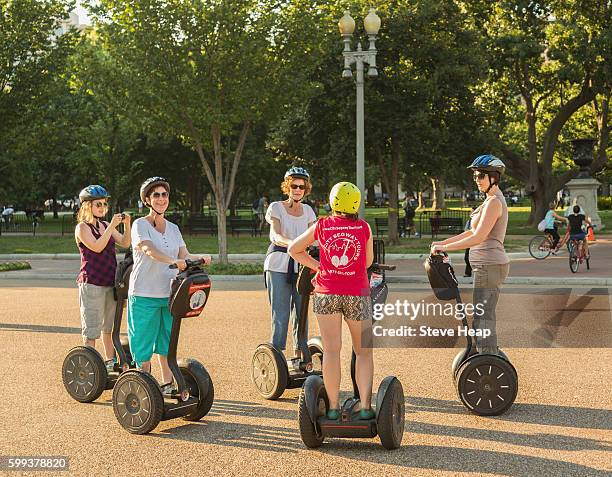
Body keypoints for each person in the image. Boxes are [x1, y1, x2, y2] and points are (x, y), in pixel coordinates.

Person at [289, 181, 375, 420]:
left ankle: (334, 407)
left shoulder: (322, 225)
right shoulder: (364, 227)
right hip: (356, 294)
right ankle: (366, 407)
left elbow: (294, 249)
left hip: (327, 293)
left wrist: (318, 266)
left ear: (332, 201)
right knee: (364, 352)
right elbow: (367, 262)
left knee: (331, 351)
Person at [128, 177, 212, 395]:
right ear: (147, 199)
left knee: (166, 342)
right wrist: (171, 261)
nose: (161, 199)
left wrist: (199, 257)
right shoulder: (140, 225)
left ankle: (167, 385)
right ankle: (144, 388)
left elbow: (184, 254)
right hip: (144, 293)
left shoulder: (173, 228)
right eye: (156, 195)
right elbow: (147, 249)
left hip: (170, 294)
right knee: (143, 345)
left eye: (164, 194)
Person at [431, 154, 509, 354]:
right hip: (485, 267)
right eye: (475, 176)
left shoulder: (494, 202)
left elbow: (479, 237)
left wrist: (445, 248)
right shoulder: (488, 201)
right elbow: (470, 232)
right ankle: (486, 357)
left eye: (481, 176)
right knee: (482, 317)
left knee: (483, 319)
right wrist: (442, 243)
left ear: (494, 177)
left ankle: (489, 363)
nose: (477, 180)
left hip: (490, 266)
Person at [74, 185, 131, 372]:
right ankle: (89, 369)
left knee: (109, 330)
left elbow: (124, 242)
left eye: (104, 204)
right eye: (98, 204)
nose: (102, 207)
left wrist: (127, 224)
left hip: (110, 282)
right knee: (91, 331)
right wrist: (112, 226)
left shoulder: (105, 225)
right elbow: (97, 246)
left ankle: (109, 364)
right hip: (91, 283)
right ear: (87, 206)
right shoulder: (82, 228)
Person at [264, 166, 317, 363]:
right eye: (294, 186)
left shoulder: (309, 211)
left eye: (301, 187)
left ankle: (300, 355)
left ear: (305, 189)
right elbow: (276, 235)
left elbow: (315, 237)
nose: (297, 190)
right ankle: (275, 359)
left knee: (302, 312)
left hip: (301, 266)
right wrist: (295, 245)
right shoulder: (276, 207)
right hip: (278, 264)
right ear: (287, 186)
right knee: (281, 314)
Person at [463, 206, 478, 277]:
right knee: (466, 258)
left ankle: (469, 273)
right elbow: (465, 231)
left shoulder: (480, 222)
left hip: (476, 243)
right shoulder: (469, 222)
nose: (471, 213)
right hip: (469, 242)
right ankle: (468, 272)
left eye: (472, 211)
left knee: (475, 258)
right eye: (471, 211)